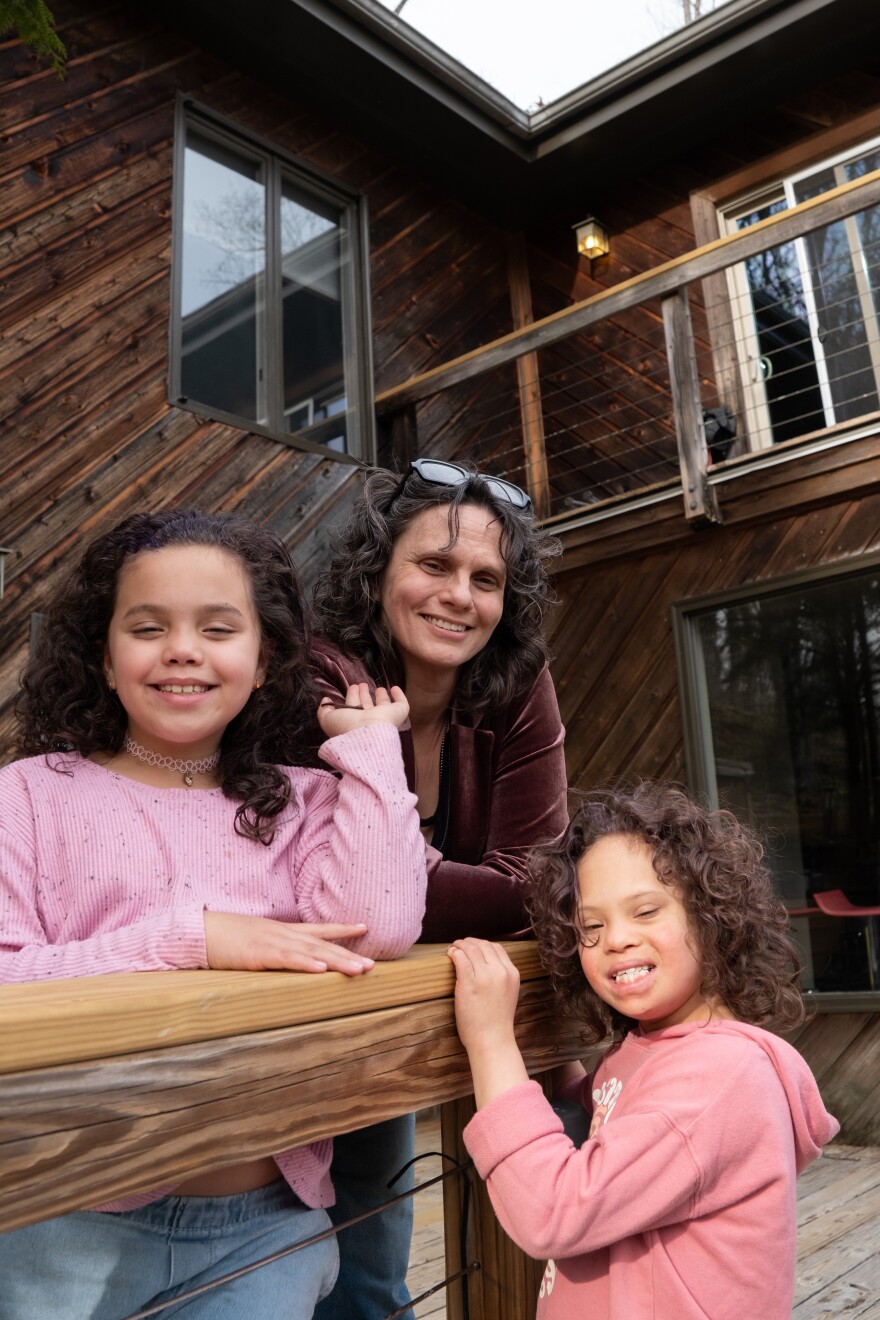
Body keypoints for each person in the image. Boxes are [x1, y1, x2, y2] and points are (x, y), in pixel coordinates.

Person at [0, 508, 427, 1320]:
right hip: (62, 1217)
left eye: (218, 628)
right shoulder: (29, 796)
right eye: (148, 626)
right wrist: (188, 941)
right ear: (103, 653)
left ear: (264, 661)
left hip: (263, 1232)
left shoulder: (307, 803)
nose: (182, 649)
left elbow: (380, 927)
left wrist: (372, 747)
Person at [310, 459, 568, 1320]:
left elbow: (531, 881)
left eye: (486, 579)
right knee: (336, 1270)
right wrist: (444, 881)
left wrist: (404, 867)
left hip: (436, 999)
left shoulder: (517, 684)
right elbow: (330, 888)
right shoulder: (315, 674)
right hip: (319, 1005)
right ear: (378, 568)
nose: (460, 595)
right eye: (434, 565)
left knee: (387, 1264)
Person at [449, 782, 839, 1320]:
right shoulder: (659, 1048)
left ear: (712, 915)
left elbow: (553, 1210)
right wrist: (544, 1051)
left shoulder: (716, 1078)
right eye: (591, 925)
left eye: (646, 911)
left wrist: (491, 1042)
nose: (617, 939)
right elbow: (606, 1113)